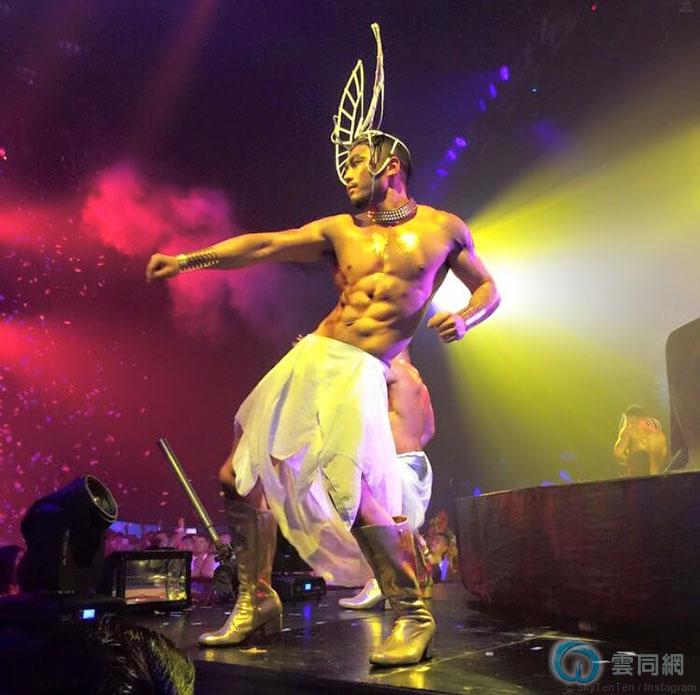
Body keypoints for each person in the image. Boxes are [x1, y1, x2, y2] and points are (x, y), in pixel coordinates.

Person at [145, 24, 499, 666]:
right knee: (235, 478)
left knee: (353, 491)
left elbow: (489, 288)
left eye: (357, 163)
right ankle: (256, 600)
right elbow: (267, 244)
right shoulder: (341, 229)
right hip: (314, 356)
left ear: (390, 164)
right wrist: (190, 259)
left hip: (363, 371)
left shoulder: (444, 229)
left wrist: (469, 318)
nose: (348, 175)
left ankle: (411, 613)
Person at [339, 348, 435, 610]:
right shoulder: (419, 382)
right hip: (418, 462)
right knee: (397, 527)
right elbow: (429, 429)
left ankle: (380, 583)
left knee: (376, 523)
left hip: (398, 465)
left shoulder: (390, 371)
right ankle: (405, 584)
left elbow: (346, 376)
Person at [613, 405, 668, 476]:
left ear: (643, 420)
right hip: (645, 475)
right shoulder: (628, 432)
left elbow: (618, 453)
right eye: (630, 423)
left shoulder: (655, 435)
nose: (632, 426)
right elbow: (618, 453)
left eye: (635, 422)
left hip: (645, 475)